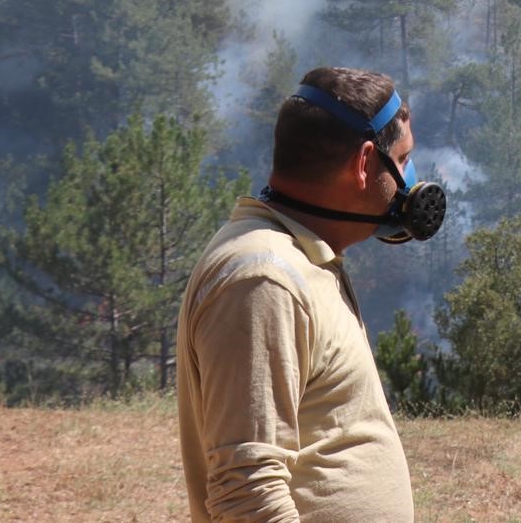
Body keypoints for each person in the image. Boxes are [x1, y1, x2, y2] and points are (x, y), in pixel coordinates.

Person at [177, 66, 446, 523]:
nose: (410, 179)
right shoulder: (264, 281)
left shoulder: (302, 260)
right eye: (402, 160)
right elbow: (248, 491)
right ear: (364, 164)